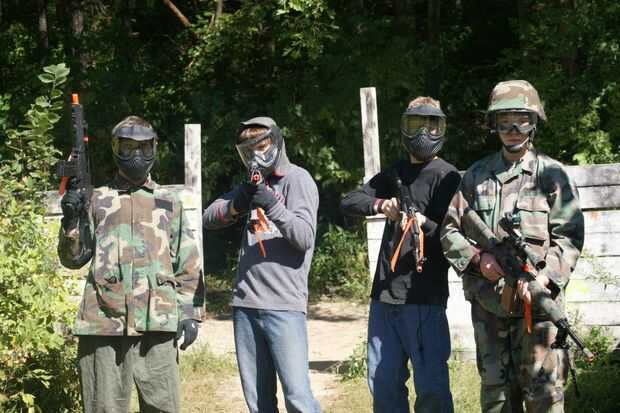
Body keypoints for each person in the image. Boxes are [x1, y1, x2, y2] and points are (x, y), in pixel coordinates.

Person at [440, 80, 585, 412]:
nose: (513, 130)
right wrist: (478, 259)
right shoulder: (476, 176)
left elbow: (569, 237)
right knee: (497, 398)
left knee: (544, 396)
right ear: (494, 125)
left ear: (534, 123)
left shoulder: (553, 175)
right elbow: (449, 230)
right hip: (490, 309)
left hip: (539, 308)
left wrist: (544, 278)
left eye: (521, 120)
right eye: (504, 122)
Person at [58, 116, 205, 413]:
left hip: (157, 324)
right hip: (104, 324)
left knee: (163, 406)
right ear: (116, 149)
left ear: (154, 149)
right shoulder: (97, 200)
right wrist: (71, 220)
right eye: (128, 147)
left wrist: (190, 314)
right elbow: (73, 259)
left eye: (144, 147)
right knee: (103, 407)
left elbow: (187, 262)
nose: (136, 155)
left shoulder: (168, 202)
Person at [341, 97, 461, 413]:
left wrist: (424, 224)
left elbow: (456, 238)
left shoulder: (448, 177)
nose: (423, 133)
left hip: (425, 298)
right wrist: (381, 205)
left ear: (441, 129)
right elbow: (349, 201)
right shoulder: (395, 173)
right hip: (384, 297)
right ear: (405, 127)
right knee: (384, 385)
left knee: (432, 389)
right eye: (416, 124)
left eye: (431, 125)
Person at [203, 116, 321, 413]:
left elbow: (304, 237)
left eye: (261, 146)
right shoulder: (252, 185)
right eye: (248, 150)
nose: (255, 155)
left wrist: (272, 204)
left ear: (276, 142)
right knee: (258, 403)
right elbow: (208, 217)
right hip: (246, 304)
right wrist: (238, 204)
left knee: (298, 398)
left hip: (284, 304)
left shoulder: (298, 180)